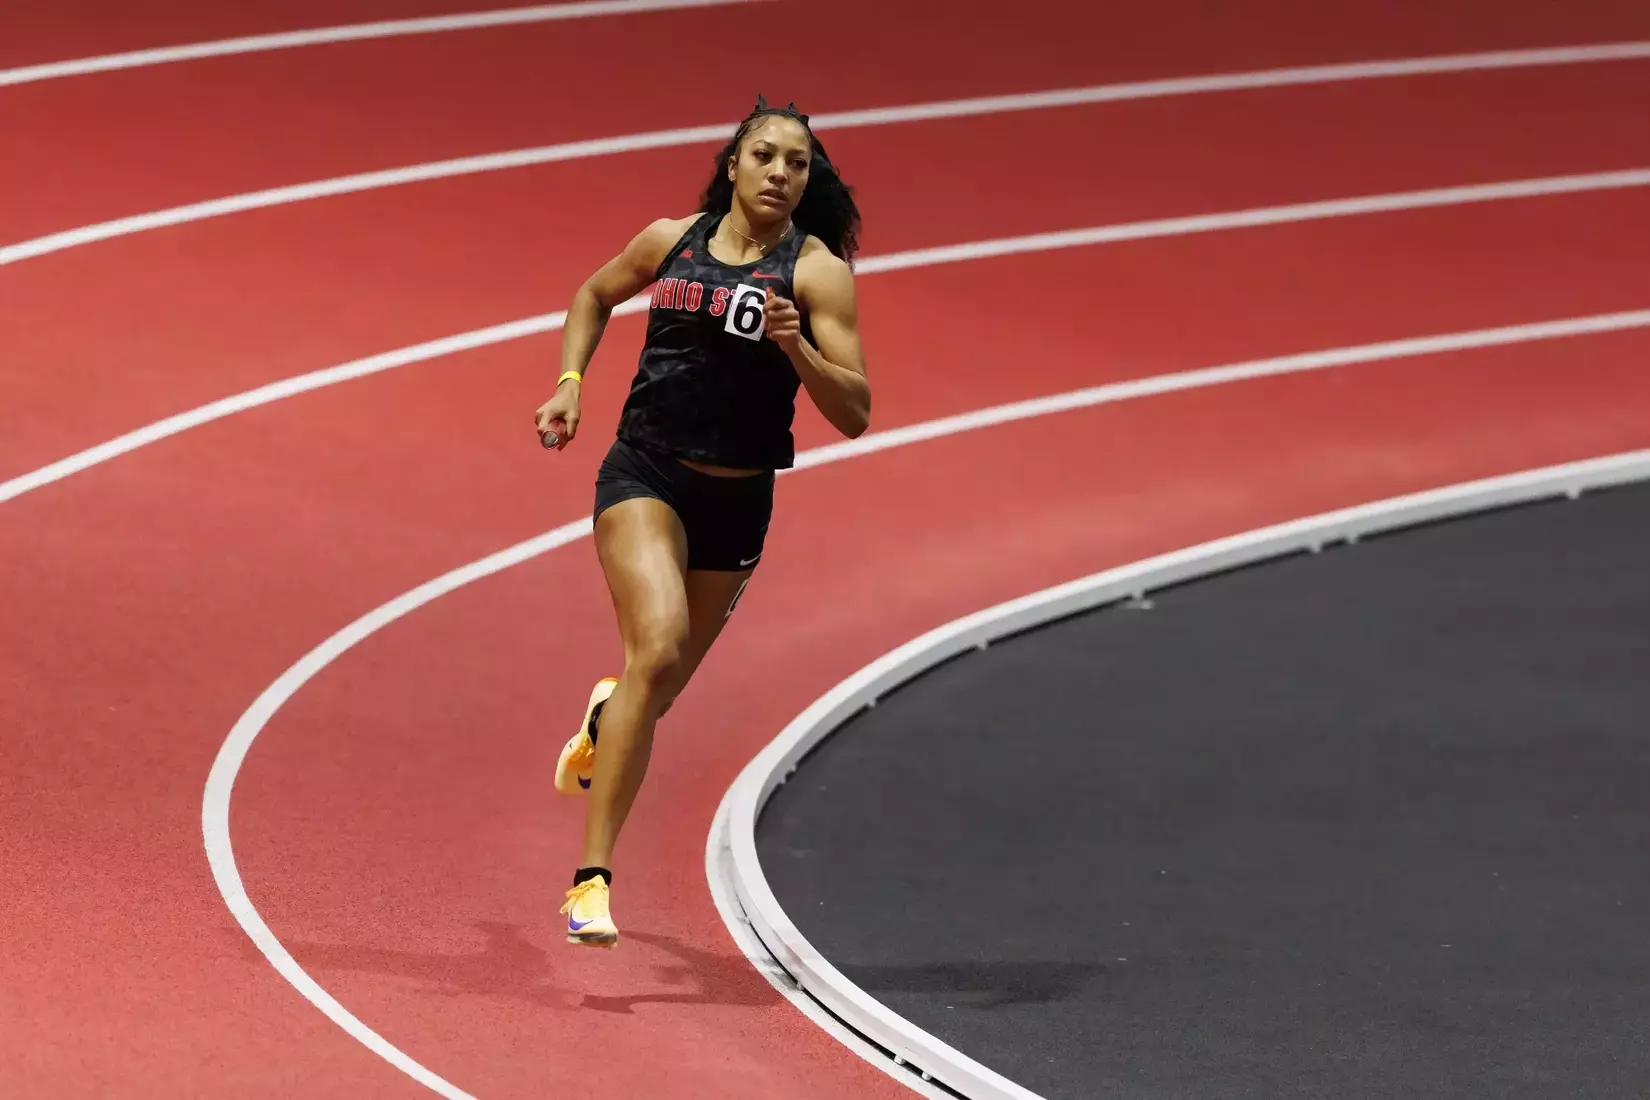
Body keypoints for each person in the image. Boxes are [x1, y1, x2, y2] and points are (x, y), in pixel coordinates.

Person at [532, 96, 870, 947]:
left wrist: (799, 349)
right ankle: (590, 882)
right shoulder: (670, 240)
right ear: (733, 165)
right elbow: (593, 294)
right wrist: (570, 382)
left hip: (740, 500)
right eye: (765, 156)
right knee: (657, 647)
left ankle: (608, 719)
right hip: (645, 472)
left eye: (797, 163)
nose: (780, 173)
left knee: (653, 695)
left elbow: (858, 411)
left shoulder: (816, 272)